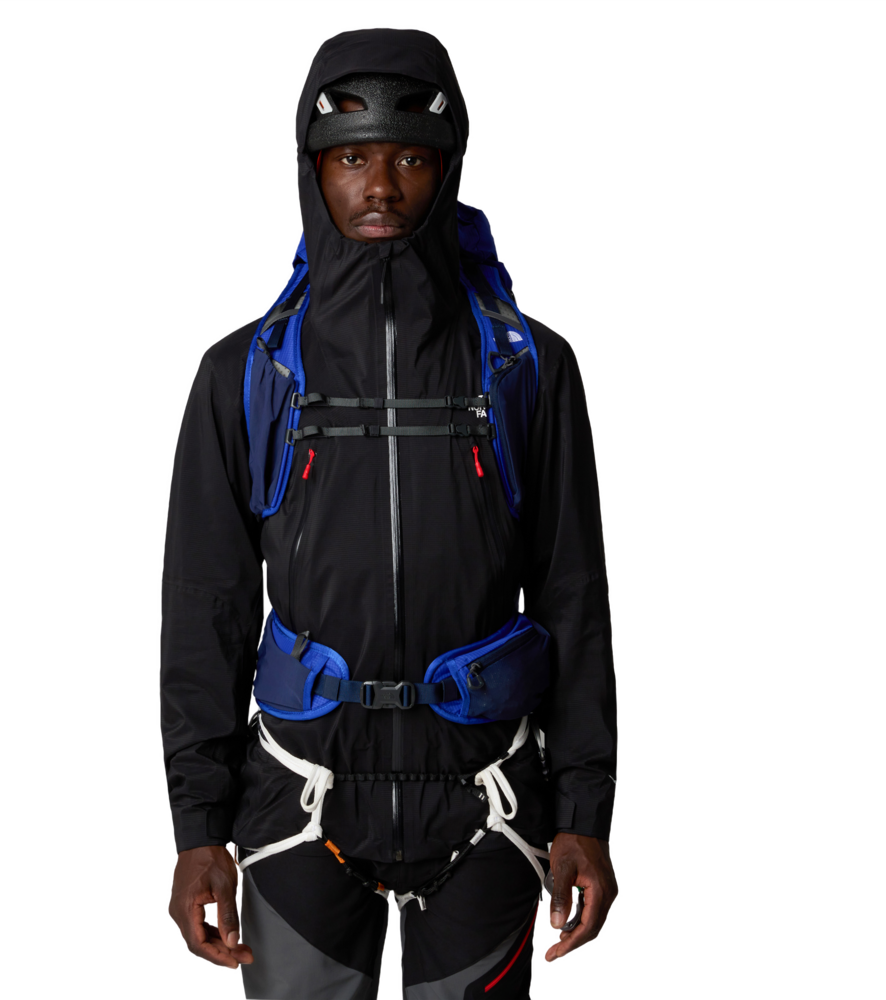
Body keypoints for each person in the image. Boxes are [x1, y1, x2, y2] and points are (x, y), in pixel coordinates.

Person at [160, 24, 619, 998]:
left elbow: (575, 594)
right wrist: (196, 829)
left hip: (491, 809)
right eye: (351, 159)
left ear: (448, 169)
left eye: (409, 158)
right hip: (297, 805)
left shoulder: (529, 367)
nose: (380, 188)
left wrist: (586, 813)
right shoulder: (242, 373)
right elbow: (203, 610)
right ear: (312, 169)